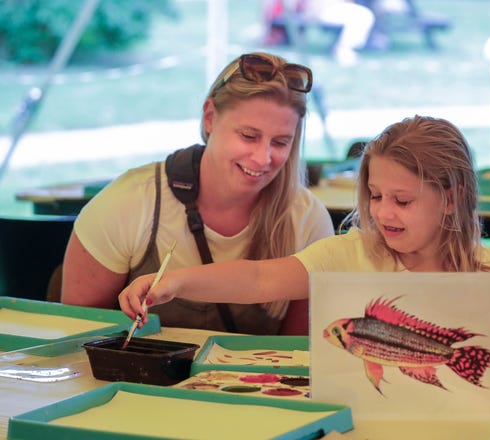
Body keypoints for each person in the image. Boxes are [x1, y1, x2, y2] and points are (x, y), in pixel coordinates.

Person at [119, 115, 490, 360]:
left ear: (451, 199)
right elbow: (260, 281)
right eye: (374, 195)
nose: (382, 212)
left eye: (403, 201)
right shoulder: (351, 253)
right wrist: (177, 282)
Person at [61, 52, 335, 335]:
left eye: (280, 142)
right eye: (248, 136)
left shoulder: (307, 219)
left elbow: (302, 353)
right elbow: (77, 335)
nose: (262, 158)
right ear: (209, 118)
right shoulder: (129, 202)